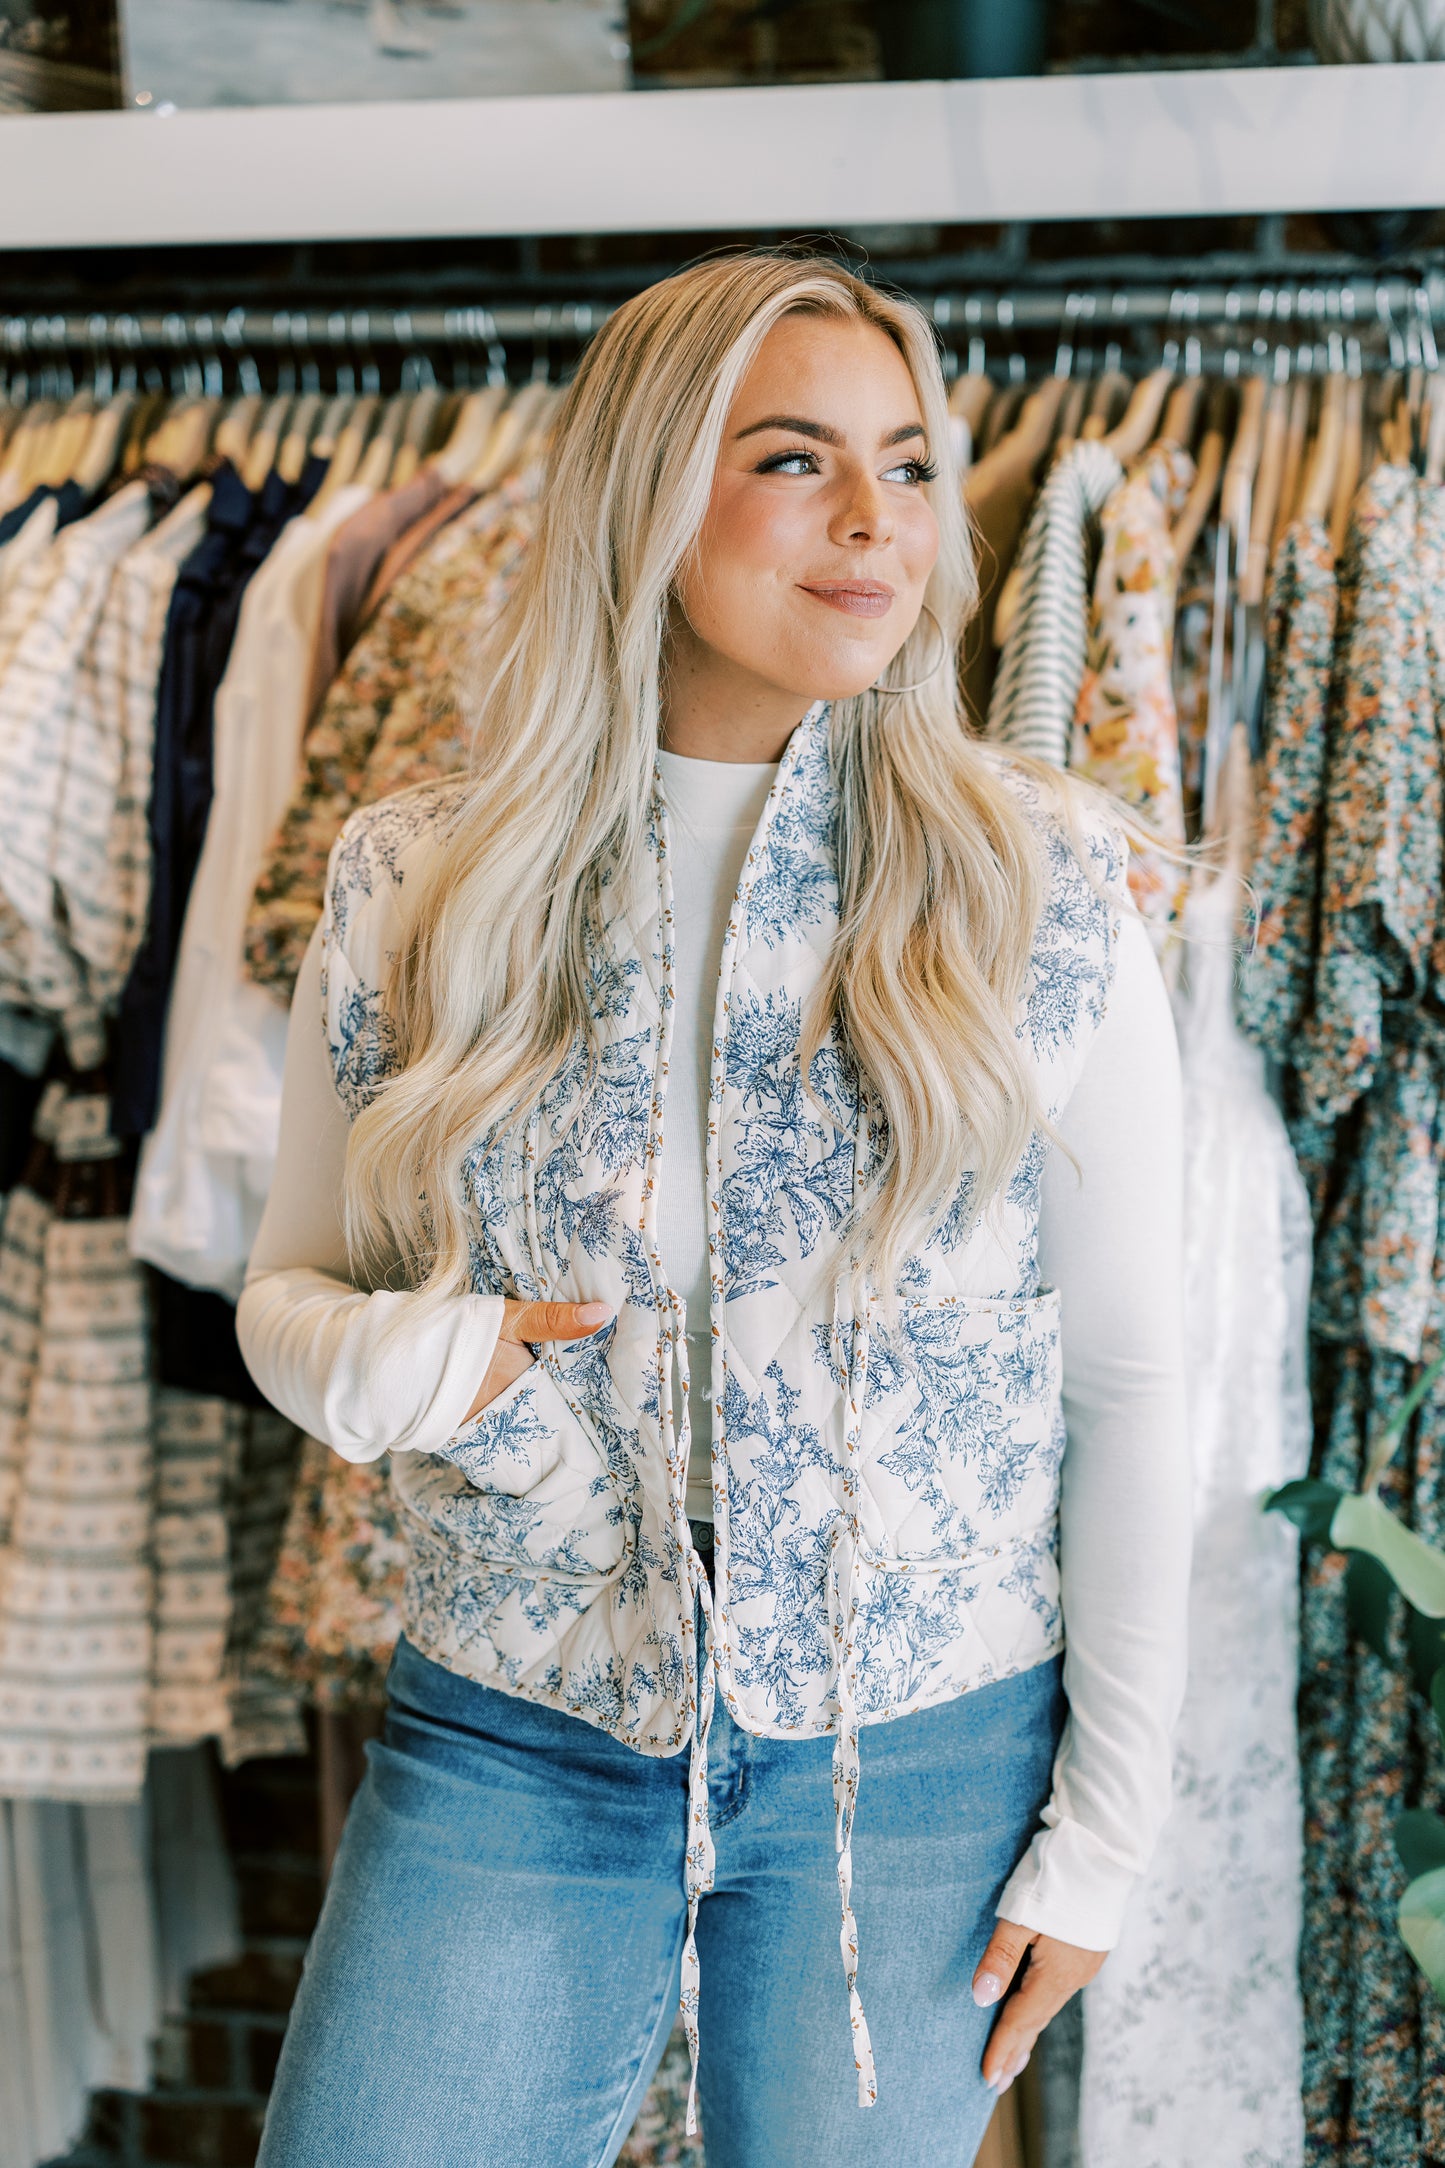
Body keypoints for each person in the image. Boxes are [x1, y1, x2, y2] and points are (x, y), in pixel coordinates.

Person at [238, 250, 1190, 2168]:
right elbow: (284, 1296)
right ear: (651, 491)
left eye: (911, 467)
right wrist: (428, 1361)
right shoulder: (421, 874)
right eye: (794, 460)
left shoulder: (1042, 880)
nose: (875, 521)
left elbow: (1140, 1380)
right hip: (517, 1727)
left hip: (914, 1758)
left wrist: (1103, 1834)